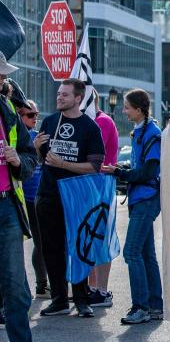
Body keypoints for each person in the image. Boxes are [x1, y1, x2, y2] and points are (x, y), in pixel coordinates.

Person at [35, 78, 105, 318]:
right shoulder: (50, 121)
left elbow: (95, 166)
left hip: (77, 196)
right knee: (51, 248)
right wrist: (36, 148)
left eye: (65, 95)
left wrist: (64, 163)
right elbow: (43, 159)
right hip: (48, 194)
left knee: (78, 247)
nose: (59, 97)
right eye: (59, 93)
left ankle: (82, 298)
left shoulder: (90, 127)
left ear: (78, 98)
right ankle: (59, 299)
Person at [101, 90, 163, 325]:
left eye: (127, 108)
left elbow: (149, 171)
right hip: (141, 198)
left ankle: (141, 307)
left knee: (131, 252)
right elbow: (141, 166)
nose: (124, 112)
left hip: (147, 198)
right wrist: (123, 167)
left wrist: (119, 172)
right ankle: (155, 306)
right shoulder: (142, 130)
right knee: (146, 254)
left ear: (139, 109)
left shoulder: (151, 133)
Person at [0, 54, 39, 342]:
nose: (3, 80)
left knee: (15, 288)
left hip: (7, 209)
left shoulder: (9, 109)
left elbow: (30, 156)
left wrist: (18, 161)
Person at [88, 91, 120, 309]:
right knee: (87, 238)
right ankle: (90, 288)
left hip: (101, 185)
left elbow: (91, 152)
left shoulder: (103, 121)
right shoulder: (91, 121)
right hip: (86, 186)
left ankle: (101, 290)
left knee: (101, 237)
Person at [16, 100, 46, 298]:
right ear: (19, 116)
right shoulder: (16, 135)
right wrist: (33, 148)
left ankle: (42, 285)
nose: (34, 118)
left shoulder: (38, 136)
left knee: (41, 241)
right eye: (30, 115)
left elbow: (46, 161)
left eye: (36, 114)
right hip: (22, 197)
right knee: (15, 245)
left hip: (38, 195)